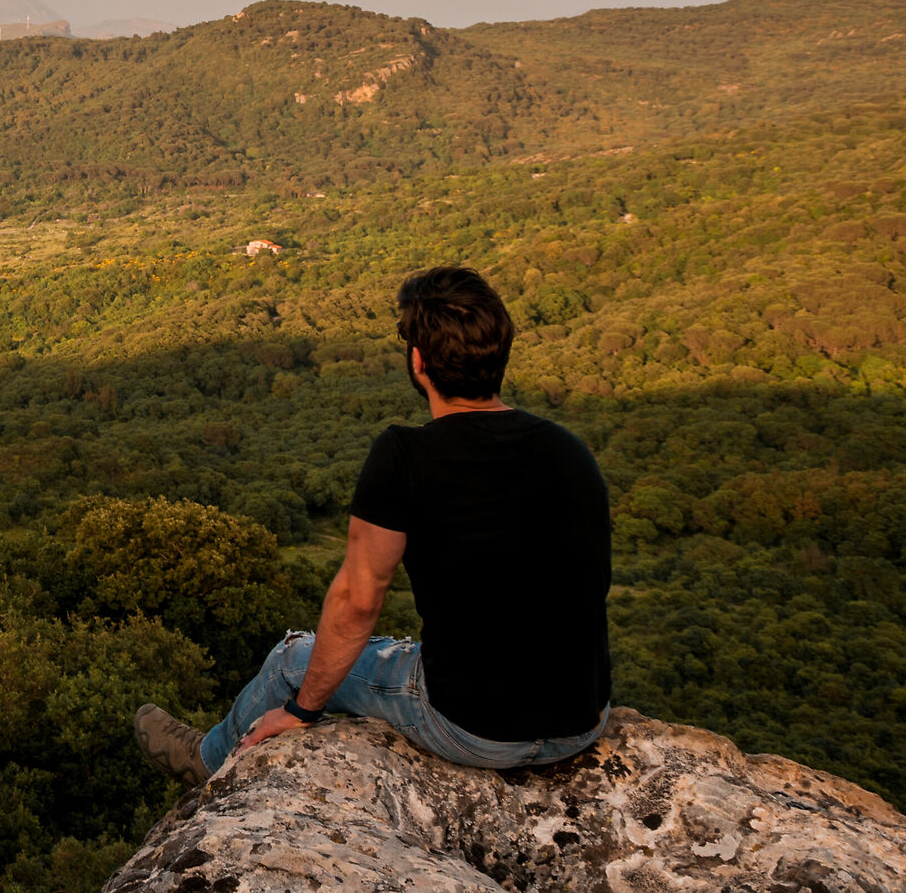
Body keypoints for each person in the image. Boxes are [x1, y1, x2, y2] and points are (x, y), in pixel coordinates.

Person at [133, 265, 613, 785]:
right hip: (583, 721)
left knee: (293, 658)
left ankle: (206, 759)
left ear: (418, 361)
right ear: (500, 351)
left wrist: (303, 711)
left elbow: (358, 601)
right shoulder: (569, 449)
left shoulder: (405, 455)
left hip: (474, 728)